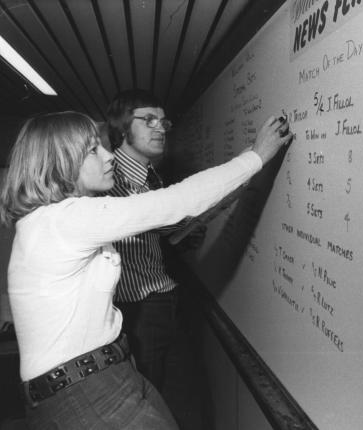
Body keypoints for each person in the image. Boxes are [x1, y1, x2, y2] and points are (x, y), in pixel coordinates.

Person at [0, 111, 291, 429]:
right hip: (84, 391)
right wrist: (255, 157)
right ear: (61, 162)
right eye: (93, 150)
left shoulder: (50, 221)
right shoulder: (64, 219)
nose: (109, 156)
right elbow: (176, 201)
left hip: (102, 376)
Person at [103, 89, 212, 427]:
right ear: (122, 128)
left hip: (160, 300)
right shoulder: (109, 179)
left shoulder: (150, 176)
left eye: (163, 122)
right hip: (137, 308)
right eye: (148, 120)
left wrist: (180, 234)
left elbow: (149, 230)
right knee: (152, 409)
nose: (160, 128)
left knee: (176, 402)